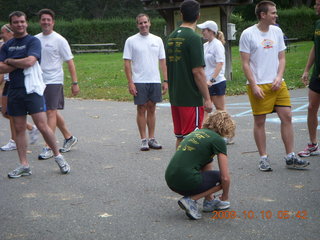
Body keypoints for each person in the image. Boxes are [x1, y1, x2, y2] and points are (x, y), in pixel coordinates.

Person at [239, 1, 310, 171]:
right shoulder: (248, 34)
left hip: (278, 84)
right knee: (260, 122)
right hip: (258, 85)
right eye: (273, 13)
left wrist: (279, 77)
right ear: (263, 15)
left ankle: (290, 156)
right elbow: (245, 63)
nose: (276, 15)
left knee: (287, 116)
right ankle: (263, 158)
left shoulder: (277, 31)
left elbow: (282, 58)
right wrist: (254, 85)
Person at [0, 11, 70, 178]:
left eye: (22, 22)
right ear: (11, 25)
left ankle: (58, 156)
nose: (19, 24)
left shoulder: (33, 41)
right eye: (16, 22)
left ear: (27, 23)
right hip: (14, 90)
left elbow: (31, 61)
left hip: (32, 90)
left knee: (42, 125)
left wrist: (10, 61)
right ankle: (24, 165)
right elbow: (1, 68)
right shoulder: (7, 46)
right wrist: (18, 63)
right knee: (18, 129)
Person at [165, 110, 235, 220]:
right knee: (221, 178)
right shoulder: (218, 140)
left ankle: (209, 201)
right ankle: (190, 200)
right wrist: (225, 197)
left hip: (171, 179)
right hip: (186, 180)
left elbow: (205, 165)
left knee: (207, 164)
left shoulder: (195, 133)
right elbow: (225, 177)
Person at [166, 0, 213, 149]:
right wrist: (207, 98)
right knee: (193, 140)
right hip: (190, 98)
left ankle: (179, 170)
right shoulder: (193, 38)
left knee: (181, 138)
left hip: (176, 97)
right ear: (198, 16)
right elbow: (198, 72)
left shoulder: (171, 37)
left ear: (181, 14)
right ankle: (190, 171)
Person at [35, 9, 79, 159]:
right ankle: (69, 137)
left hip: (54, 80)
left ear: (53, 22)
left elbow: (70, 62)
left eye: (49, 20)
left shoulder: (59, 40)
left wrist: (75, 82)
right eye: (43, 19)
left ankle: (48, 146)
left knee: (50, 112)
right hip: (39, 81)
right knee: (51, 111)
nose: (46, 22)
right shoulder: (35, 39)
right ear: (40, 22)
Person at [123, 13, 168, 151]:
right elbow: (127, 63)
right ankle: (143, 139)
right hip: (139, 80)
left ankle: (152, 138)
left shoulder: (158, 40)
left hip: (154, 79)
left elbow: (162, 61)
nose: (143, 25)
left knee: (152, 108)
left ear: (150, 23)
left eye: (145, 22)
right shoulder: (131, 41)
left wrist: (165, 80)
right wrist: (131, 82)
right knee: (141, 108)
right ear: (137, 25)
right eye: (140, 23)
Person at [0, 23, 39, 151]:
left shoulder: (18, 45)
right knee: (7, 112)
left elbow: (28, 62)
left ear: (10, 32)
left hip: (17, 82)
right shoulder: (5, 46)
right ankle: (26, 130)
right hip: (8, 81)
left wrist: (12, 63)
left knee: (9, 112)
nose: (1, 35)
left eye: (3, 33)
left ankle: (17, 138)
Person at [197, 20, 234, 145]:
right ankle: (205, 133)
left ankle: (227, 134)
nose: (202, 32)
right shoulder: (205, 45)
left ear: (211, 31)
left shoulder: (217, 44)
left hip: (216, 82)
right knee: (206, 108)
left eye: (204, 30)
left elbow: (220, 63)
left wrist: (212, 79)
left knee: (220, 110)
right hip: (206, 82)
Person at [298, 0, 320, 157]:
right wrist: (307, 70)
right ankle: (313, 144)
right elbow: (315, 47)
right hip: (317, 75)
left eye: (319, 4)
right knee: (312, 107)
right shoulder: (318, 23)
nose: (315, 7)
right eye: (316, 4)